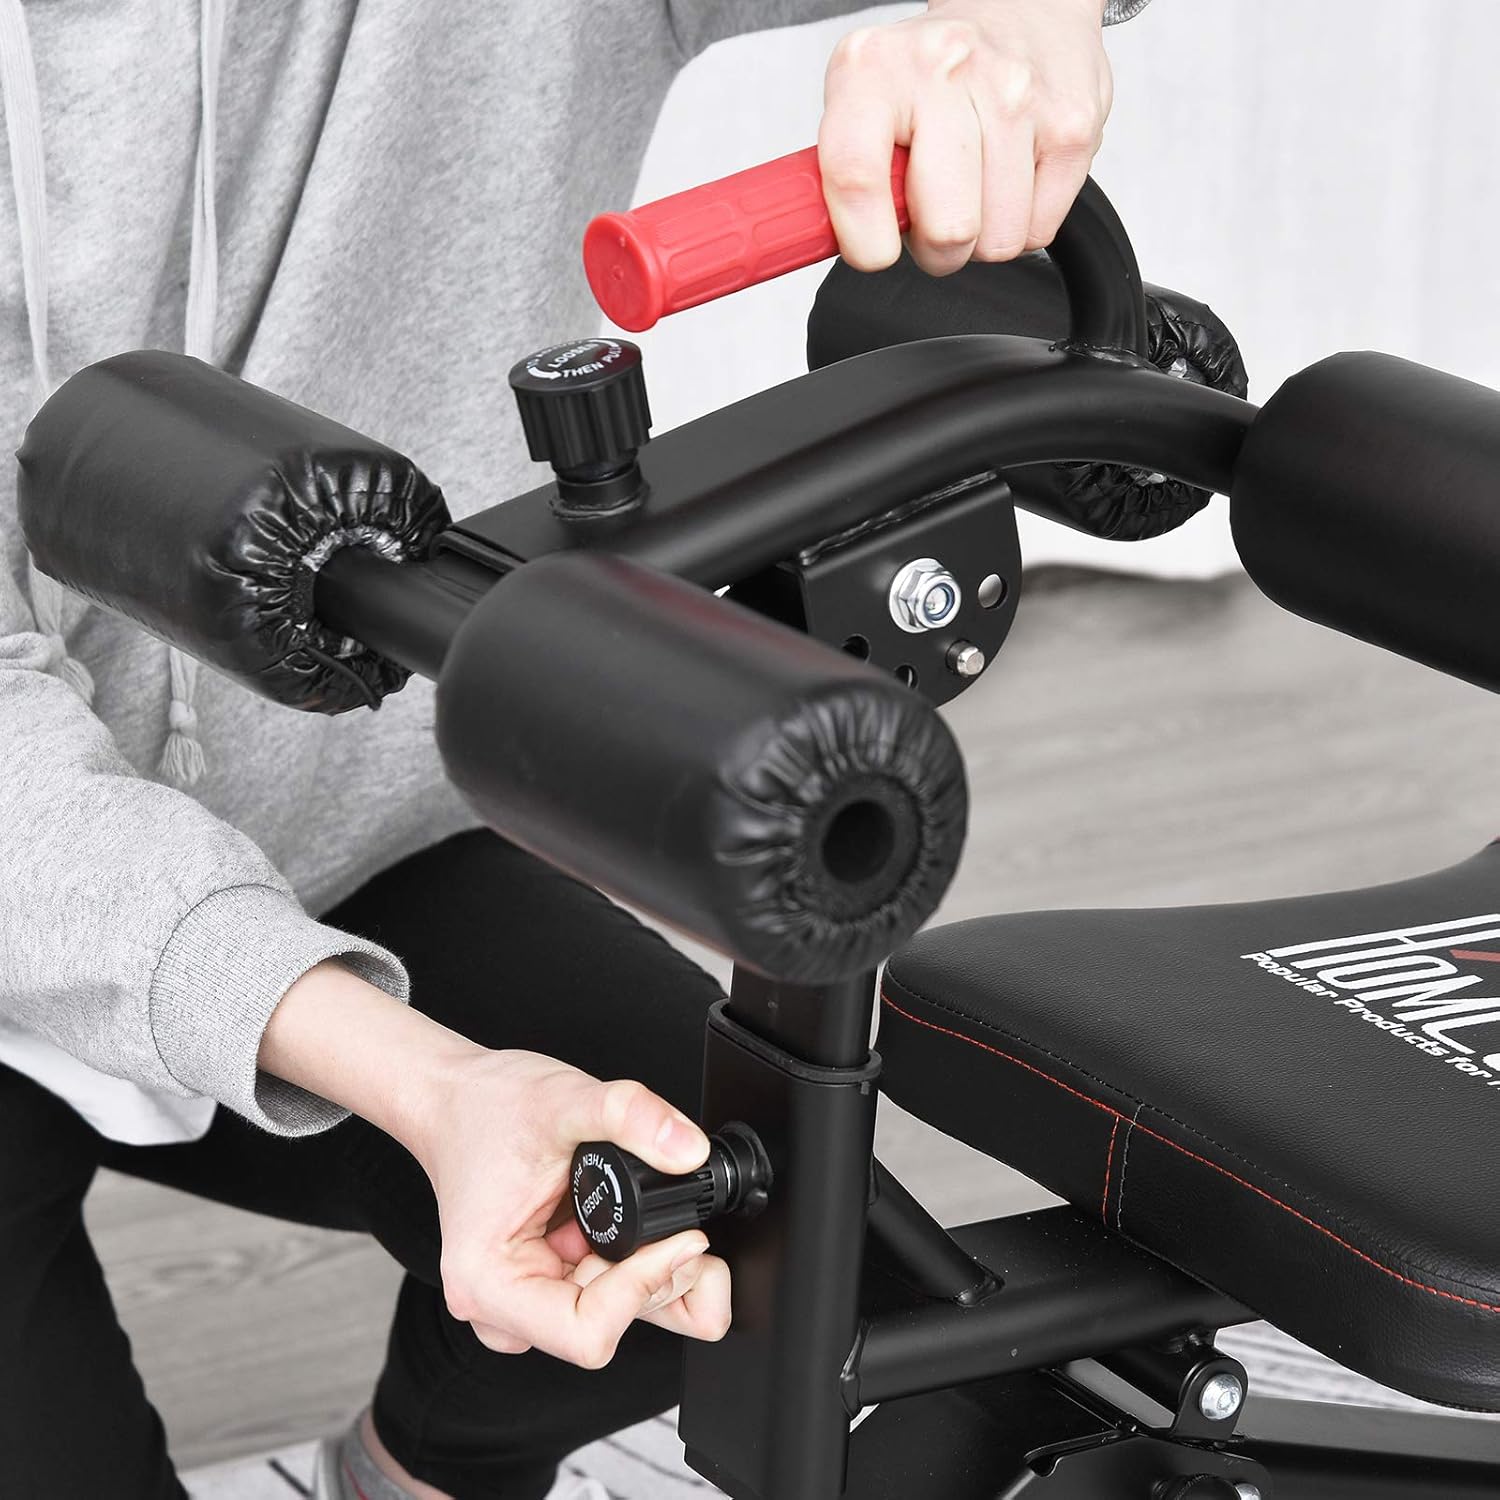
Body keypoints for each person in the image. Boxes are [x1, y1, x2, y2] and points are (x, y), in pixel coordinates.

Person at [0, 1, 1149, 1496]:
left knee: (748, 1243)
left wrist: (1014, 17)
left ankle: (407, 1467)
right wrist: (426, 1084)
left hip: (346, 865)